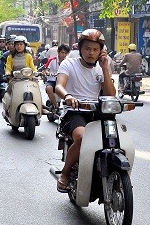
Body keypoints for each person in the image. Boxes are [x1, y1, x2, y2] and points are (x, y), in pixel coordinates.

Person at [54, 29, 115, 193]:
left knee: (114, 139)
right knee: (81, 137)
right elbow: (59, 85)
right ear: (80, 49)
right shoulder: (68, 63)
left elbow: (111, 94)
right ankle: (65, 174)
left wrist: (105, 68)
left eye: (96, 49)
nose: (91, 52)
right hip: (74, 111)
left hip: (97, 111)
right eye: (87, 48)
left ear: (101, 51)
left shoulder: (101, 68)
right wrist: (67, 96)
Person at [45, 44, 70, 108]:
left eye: (65, 53)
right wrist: (48, 73)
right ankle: (55, 105)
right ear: (58, 52)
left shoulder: (68, 61)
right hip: (52, 80)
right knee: (49, 88)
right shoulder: (52, 60)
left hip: (64, 80)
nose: (64, 55)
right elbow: (46, 70)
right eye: (62, 52)